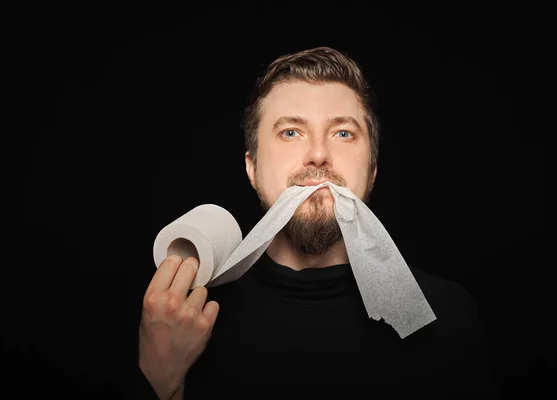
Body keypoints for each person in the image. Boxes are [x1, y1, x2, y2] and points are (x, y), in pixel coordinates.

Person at [130, 46, 498, 399]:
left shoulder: (447, 317)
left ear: (371, 172)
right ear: (252, 168)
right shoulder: (183, 321)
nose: (319, 154)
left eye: (343, 133)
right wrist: (160, 376)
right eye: (291, 132)